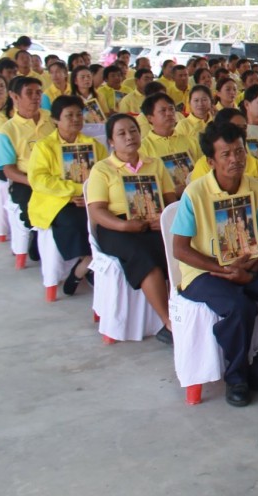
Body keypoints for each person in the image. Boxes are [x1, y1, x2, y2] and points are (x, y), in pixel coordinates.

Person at [171, 120, 258, 407]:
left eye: (239, 151)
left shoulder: (256, 187)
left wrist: (251, 267)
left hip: (248, 266)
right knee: (240, 308)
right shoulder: (195, 193)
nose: (235, 159)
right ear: (211, 160)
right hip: (204, 272)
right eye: (226, 154)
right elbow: (179, 249)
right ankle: (236, 377)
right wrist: (221, 269)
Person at [86, 113, 177, 344]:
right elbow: (96, 211)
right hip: (116, 227)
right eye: (122, 133)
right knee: (144, 256)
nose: (129, 137)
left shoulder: (154, 163)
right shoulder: (102, 169)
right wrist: (124, 225)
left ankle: (181, 309)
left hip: (151, 223)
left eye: (133, 131)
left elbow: (170, 200)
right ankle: (168, 322)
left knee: (177, 249)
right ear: (111, 141)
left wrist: (162, 218)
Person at [28, 95, 107, 295]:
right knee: (73, 221)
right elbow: (38, 179)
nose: (75, 119)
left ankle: (82, 269)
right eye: (69, 115)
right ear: (56, 120)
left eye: (79, 114)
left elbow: (105, 173)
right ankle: (85, 265)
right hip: (57, 200)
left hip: (89, 199)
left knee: (104, 223)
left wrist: (89, 195)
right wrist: (75, 191)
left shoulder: (94, 145)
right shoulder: (44, 146)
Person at [0, 76, 56, 242]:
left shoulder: (52, 119)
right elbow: (8, 169)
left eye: (38, 92)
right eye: (29, 93)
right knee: (32, 210)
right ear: (14, 97)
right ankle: (37, 239)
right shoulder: (7, 131)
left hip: (57, 177)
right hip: (27, 181)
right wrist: (33, 181)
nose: (36, 97)